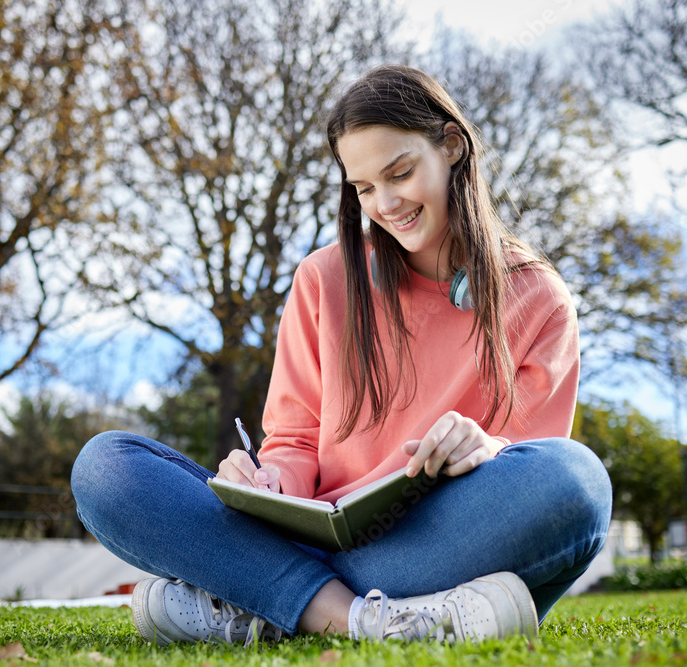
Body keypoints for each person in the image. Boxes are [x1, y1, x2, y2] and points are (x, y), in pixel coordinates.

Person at [71, 64, 612, 646]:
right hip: (309, 534)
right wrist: (267, 479)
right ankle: (367, 620)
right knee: (107, 466)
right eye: (363, 188)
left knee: (576, 480)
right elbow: (295, 438)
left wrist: (487, 447)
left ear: (452, 146)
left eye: (399, 173)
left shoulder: (537, 297)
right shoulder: (323, 279)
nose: (385, 203)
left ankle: (261, 600)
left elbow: (533, 454)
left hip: (429, 542)